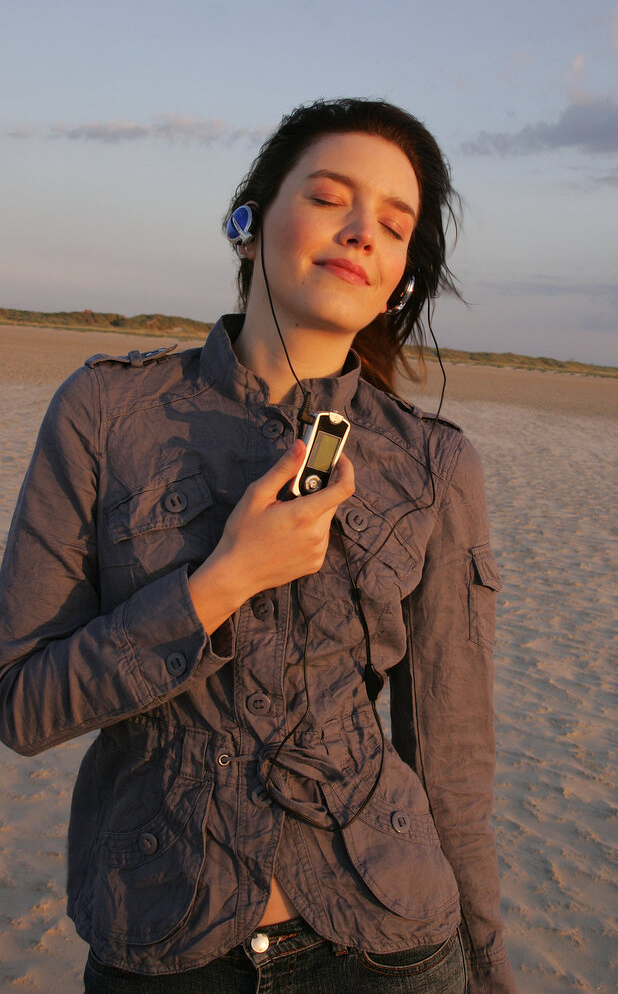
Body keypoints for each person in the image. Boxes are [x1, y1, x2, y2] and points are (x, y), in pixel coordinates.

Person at [0, 99, 518, 993]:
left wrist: (488, 967)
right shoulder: (106, 412)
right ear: (247, 225)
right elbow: (20, 705)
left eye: (394, 226)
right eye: (329, 197)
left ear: (398, 276)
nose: (361, 231)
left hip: (389, 946)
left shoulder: (435, 464)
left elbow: (451, 761)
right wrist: (218, 586)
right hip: (161, 937)